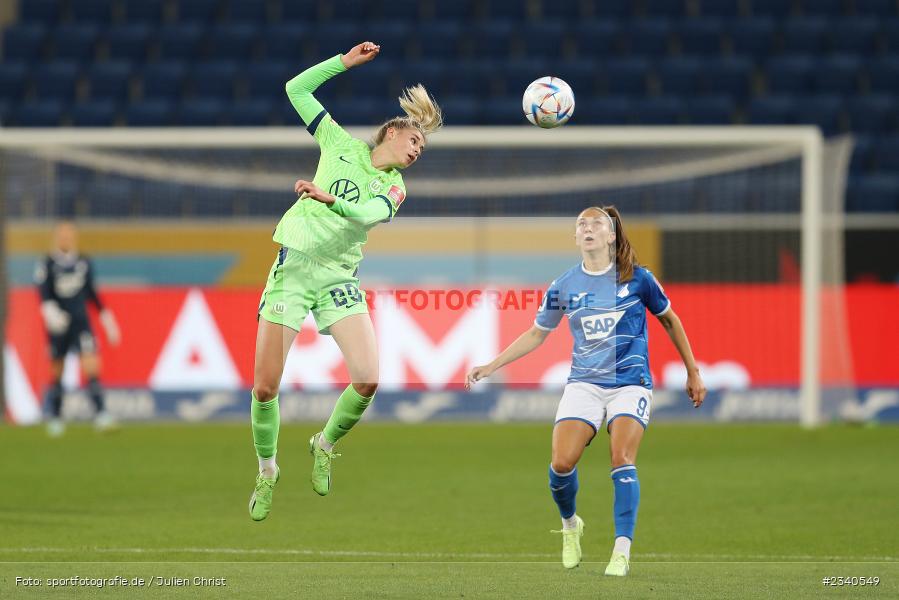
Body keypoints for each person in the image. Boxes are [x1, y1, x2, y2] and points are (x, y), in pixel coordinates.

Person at [248, 41, 443, 521]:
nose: (418, 151)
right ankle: (268, 469)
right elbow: (296, 88)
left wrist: (329, 199)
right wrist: (344, 63)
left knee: (369, 378)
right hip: (294, 269)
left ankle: (324, 442)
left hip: (338, 277)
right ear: (393, 132)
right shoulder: (339, 144)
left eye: (422, 148)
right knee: (265, 388)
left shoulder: (394, 188)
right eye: (415, 141)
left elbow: (367, 215)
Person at [465, 206, 707, 576]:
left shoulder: (638, 279)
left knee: (621, 457)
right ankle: (570, 525)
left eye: (597, 223)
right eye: (582, 223)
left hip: (630, 383)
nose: (588, 227)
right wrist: (491, 365)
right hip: (585, 384)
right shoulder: (563, 285)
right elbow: (536, 334)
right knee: (561, 464)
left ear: (611, 235)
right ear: (576, 237)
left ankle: (621, 550)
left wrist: (693, 371)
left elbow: (670, 320)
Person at [34, 221, 121, 436]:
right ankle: (55, 417)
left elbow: (92, 293)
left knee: (92, 366)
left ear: (74, 237)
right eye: (62, 235)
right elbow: (43, 295)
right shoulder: (47, 264)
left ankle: (101, 415)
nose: (65, 239)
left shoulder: (83, 262)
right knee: (57, 371)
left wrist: (107, 320)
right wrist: (51, 313)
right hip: (59, 326)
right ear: (56, 237)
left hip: (81, 323)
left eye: (69, 235)